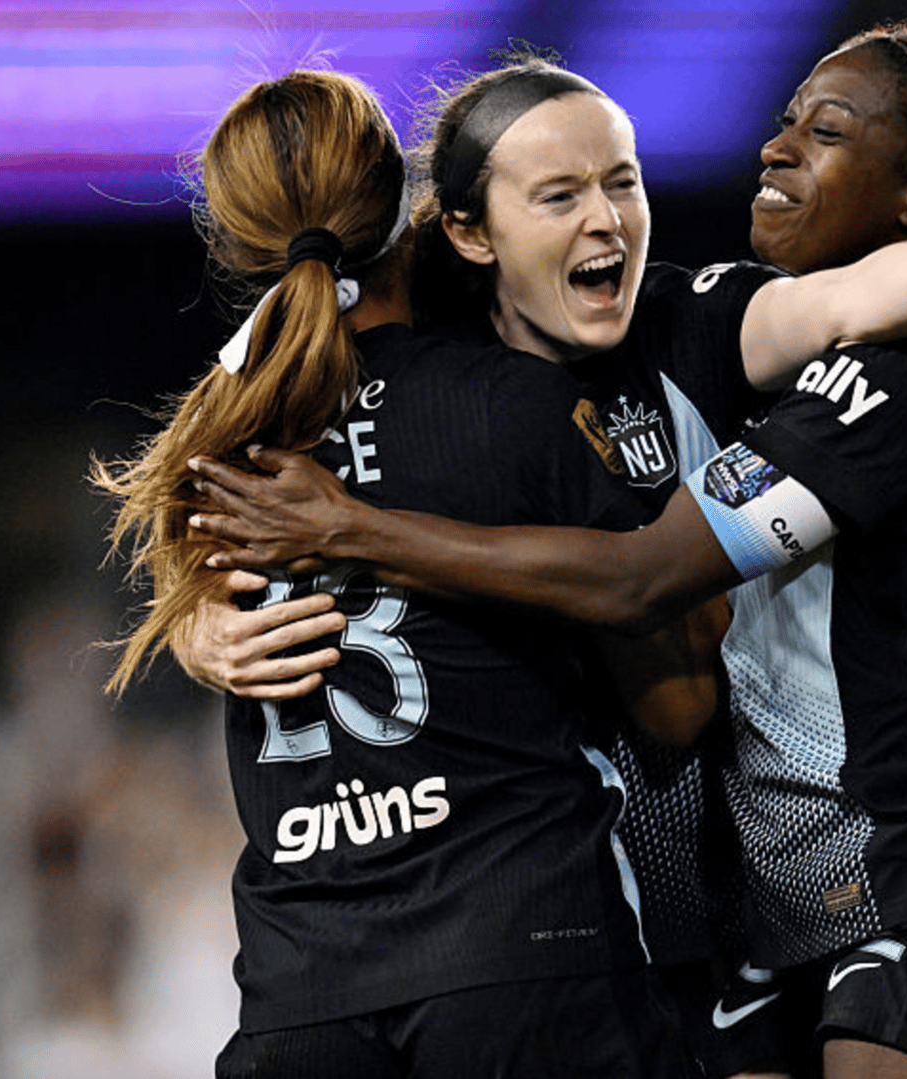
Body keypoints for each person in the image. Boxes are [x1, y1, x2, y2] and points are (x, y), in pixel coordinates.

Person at [186, 22, 907, 1079]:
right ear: (468, 233)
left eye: (622, 181)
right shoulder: (485, 363)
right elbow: (241, 410)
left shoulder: (778, 340)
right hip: (745, 923)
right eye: (558, 194)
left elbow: (651, 583)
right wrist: (204, 612)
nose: (605, 218)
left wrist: (347, 532)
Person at [94, 68, 722, 1079]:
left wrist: (194, 623)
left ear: (234, 242)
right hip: (525, 962)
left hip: (303, 999)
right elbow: (680, 705)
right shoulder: (516, 404)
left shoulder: (218, 445)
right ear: (412, 204)